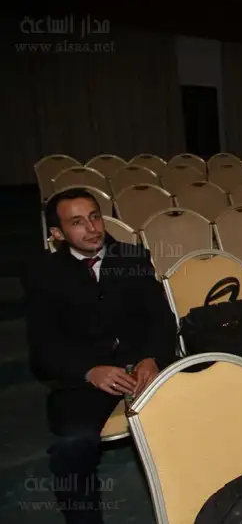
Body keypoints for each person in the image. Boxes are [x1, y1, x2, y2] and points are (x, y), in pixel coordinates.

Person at [23, 188, 177, 524]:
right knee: (72, 447)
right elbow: (44, 349)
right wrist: (90, 370)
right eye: (77, 222)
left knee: (197, 410)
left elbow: (162, 321)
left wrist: (152, 357)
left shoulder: (131, 257)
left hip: (143, 368)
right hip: (86, 380)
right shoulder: (44, 274)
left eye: (94, 217)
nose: (92, 228)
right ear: (57, 233)